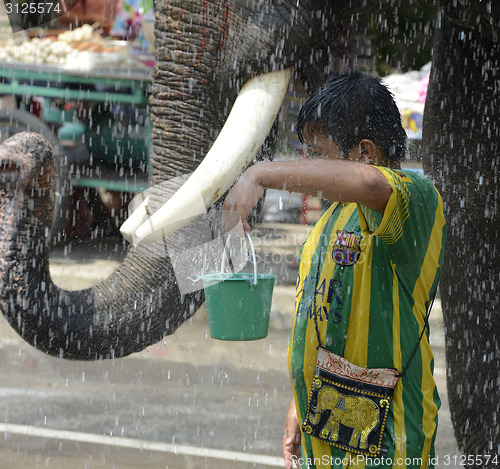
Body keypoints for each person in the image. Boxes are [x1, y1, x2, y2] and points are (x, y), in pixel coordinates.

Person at [222, 69, 446, 469]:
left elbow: (370, 185)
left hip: (388, 440)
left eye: (319, 153)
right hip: (323, 423)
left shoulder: (416, 199)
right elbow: (323, 319)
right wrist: (299, 399)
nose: (309, 165)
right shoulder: (330, 221)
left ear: (364, 152)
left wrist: (260, 173)